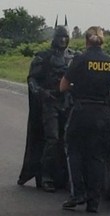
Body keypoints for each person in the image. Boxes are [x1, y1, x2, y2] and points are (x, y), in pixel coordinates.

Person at [60, 26, 110, 213]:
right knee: (97, 158)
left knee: (74, 151)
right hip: (103, 115)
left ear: (86, 41)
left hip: (81, 113)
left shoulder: (79, 59)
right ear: (102, 41)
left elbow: (63, 86)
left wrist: (77, 86)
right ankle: (93, 203)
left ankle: (77, 194)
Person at [17, 17, 76, 192]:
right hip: (50, 103)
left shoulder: (74, 56)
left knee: (67, 141)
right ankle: (46, 176)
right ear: (54, 37)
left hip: (68, 103)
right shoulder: (43, 57)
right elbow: (32, 80)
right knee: (52, 139)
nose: (63, 40)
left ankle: (64, 177)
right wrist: (42, 93)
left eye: (66, 37)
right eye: (60, 36)